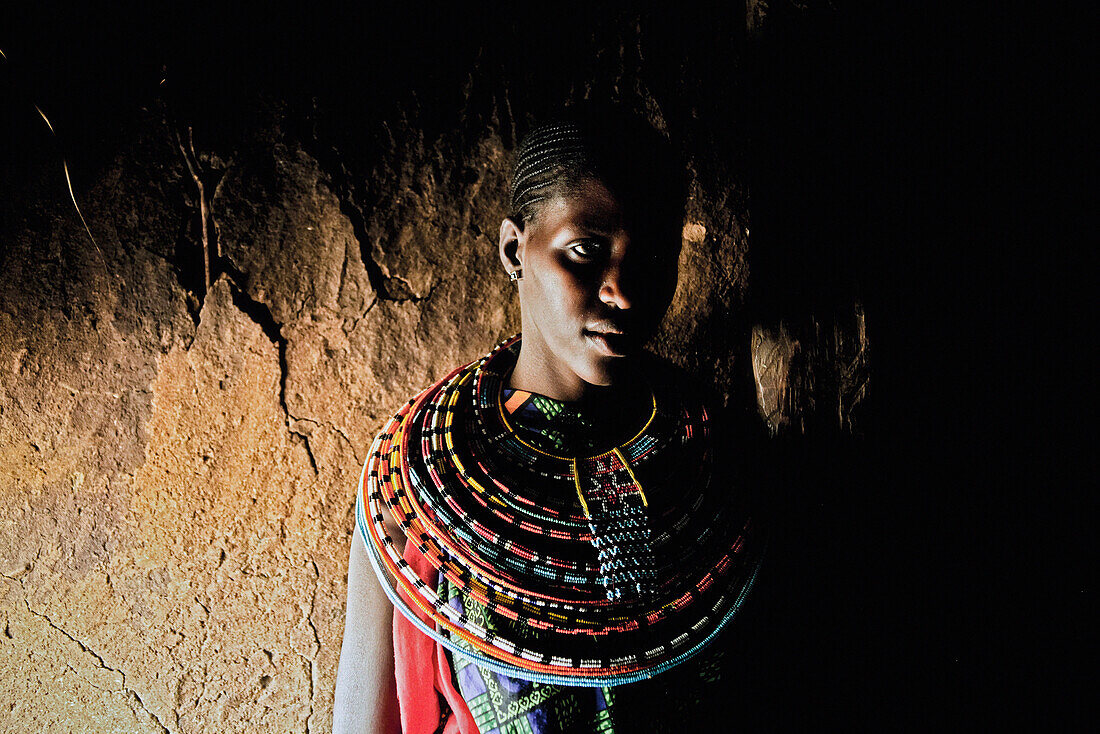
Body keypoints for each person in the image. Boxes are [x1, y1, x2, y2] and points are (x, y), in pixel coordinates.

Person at [334, 104, 764, 734]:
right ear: (515, 249)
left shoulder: (717, 466)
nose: (623, 291)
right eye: (585, 252)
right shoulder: (416, 491)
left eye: (651, 257)